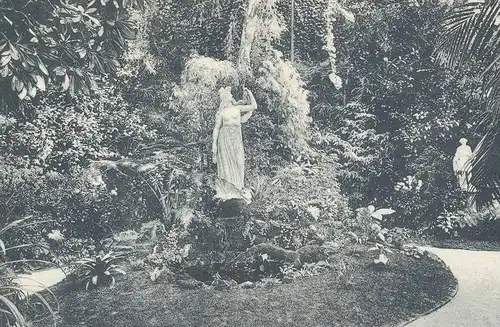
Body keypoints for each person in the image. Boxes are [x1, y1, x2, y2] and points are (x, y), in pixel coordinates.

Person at [212, 86, 257, 202]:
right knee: (226, 162)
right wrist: (214, 145)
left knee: (239, 161)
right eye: (225, 97)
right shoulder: (221, 113)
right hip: (224, 137)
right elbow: (216, 129)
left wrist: (250, 93)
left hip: (236, 136)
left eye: (227, 96)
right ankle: (228, 190)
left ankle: (238, 188)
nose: (227, 98)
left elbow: (254, 106)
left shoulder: (238, 108)